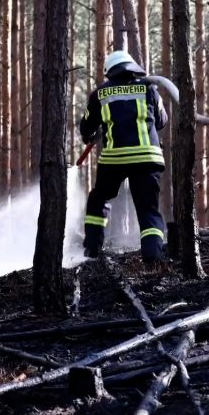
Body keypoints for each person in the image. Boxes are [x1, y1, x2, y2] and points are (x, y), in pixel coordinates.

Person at [79, 50, 169, 262]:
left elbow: (86, 127)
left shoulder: (100, 93)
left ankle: (92, 250)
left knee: (98, 199)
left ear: (110, 70)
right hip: (148, 158)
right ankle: (153, 257)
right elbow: (161, 121)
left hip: (115, 159)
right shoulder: (149, 88)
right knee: (148, 208)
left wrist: (91, 134)